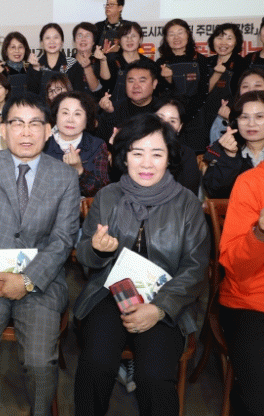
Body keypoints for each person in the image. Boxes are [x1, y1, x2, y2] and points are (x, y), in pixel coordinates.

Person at [73, 113, 208, 416]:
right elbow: (83, 256)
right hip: (110, 291)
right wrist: (97, 250)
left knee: (154, 378)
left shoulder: (187, 204)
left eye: (156, 154)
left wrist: (159, 309)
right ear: (124, 156)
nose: (147, 163)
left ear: (169, 157)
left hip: (167, 298)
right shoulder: (108, 197)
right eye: (137, 153)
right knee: (95, 365)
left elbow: (196, 268)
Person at [0, 91, 80, 416]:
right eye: (17, 123)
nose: (26, 132)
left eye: (35, 124)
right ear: (4, 129)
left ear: (48, 130)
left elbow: (63, 239)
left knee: (40, 361)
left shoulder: (65, 176)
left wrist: (26, 280)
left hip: (40, 280)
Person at [217, 160, 264, 416]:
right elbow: (235, 266)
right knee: (263, 403)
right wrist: (262, 233)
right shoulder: (252, 182)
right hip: (252, 302)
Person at [203, 90, 264, 198]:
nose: (251, 124)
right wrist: (229, 157)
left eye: (259, 117)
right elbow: (215, 193)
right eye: (244, 117)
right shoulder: (223, 146)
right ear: (236, 121)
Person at [156, 18, 210, 152]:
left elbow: (204, 92)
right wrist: (168, 80)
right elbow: (160, 96)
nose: (176, 37)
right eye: (171, 34)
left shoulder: (201, 60)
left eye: (180, 32)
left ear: (188, 35)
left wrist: (186, 116)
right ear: (166, 39)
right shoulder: (161, 63)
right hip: (170, 122)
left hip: (196, 119)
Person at [44, 91, 109, 197]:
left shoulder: (97, 145)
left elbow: (102, 191)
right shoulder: (42, 143)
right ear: (56, 116)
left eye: (77, 114)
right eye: (65, 113)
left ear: (87, 119)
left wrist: (79, 171)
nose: (70, 120)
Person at [96, 60, 160, 144]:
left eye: (142, 81)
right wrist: (109, 114)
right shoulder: (113, 108)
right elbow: (101, 142)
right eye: (131, 81)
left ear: (154, 84)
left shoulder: (163, 110)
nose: (136, 86)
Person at [101, 21, 156, 105]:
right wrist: (103, 61)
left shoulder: (149, 64)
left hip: (143, 109)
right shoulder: (110, 59)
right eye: (125, 36)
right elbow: (105, 82)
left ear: (140, 40)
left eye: (133, 36)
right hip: (114, 108)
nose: (129, 40)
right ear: (119, 41)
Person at [154, 97, 201, 195]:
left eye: (172, 121)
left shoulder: (186, 154)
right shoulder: (136, 148)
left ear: (179, 127)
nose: (165, 124)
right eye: (160, 118)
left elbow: (189, 195)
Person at [210, 69, 264, 144]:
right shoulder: (228, 111)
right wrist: (231, 120)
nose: (251, 90)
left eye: (257, 85)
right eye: (245, 86)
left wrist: (232, 119)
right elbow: (217, 142)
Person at [28, 24, 87, 97]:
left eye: (56, 37)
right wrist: (35, 69)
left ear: (62, 42)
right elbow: (32, 95)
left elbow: (79, 94)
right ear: (42, 43)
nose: (52, 41)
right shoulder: (35, 65)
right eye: (47, 38)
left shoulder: (72, 64)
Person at [72, 22, 108, 96]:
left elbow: (96, 89)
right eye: (80, 35)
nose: (83, 39)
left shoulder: (100, 61)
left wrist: (87, 67)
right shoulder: (67, 62)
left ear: (93, 42)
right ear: (74, 40)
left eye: (88, 36)